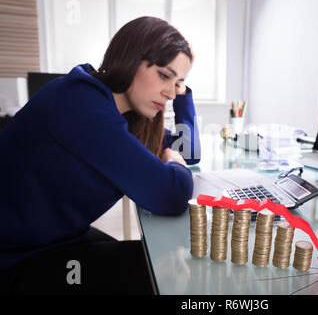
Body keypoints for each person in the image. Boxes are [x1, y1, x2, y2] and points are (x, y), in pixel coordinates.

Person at [0, 16, 200, 294]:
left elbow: (187, 151)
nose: (170, 92)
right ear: (131, 59)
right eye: (164, 75)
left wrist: (183, 93)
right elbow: (172, 194)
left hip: (59, 239)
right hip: (15, 259)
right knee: (159, 273)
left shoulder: (128, 117)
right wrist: (174, 165)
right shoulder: (80, 103)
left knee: (158, 259)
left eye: (178, 82)